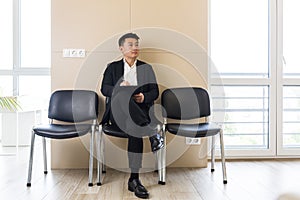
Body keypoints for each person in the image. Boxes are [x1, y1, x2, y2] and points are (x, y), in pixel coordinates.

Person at [100, 32, 164, 199]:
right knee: (121, 93)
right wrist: (120, 86)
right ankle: (151, 133)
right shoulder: (112, 67)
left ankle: (134, 179)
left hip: (139, 112)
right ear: (121, 48)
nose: (135, 47)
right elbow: (104, 89)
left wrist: (143, 97)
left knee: (135, 127)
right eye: (131, 44)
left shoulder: (146, 67)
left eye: (137, 44)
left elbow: (155, 91)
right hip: (117, 114)